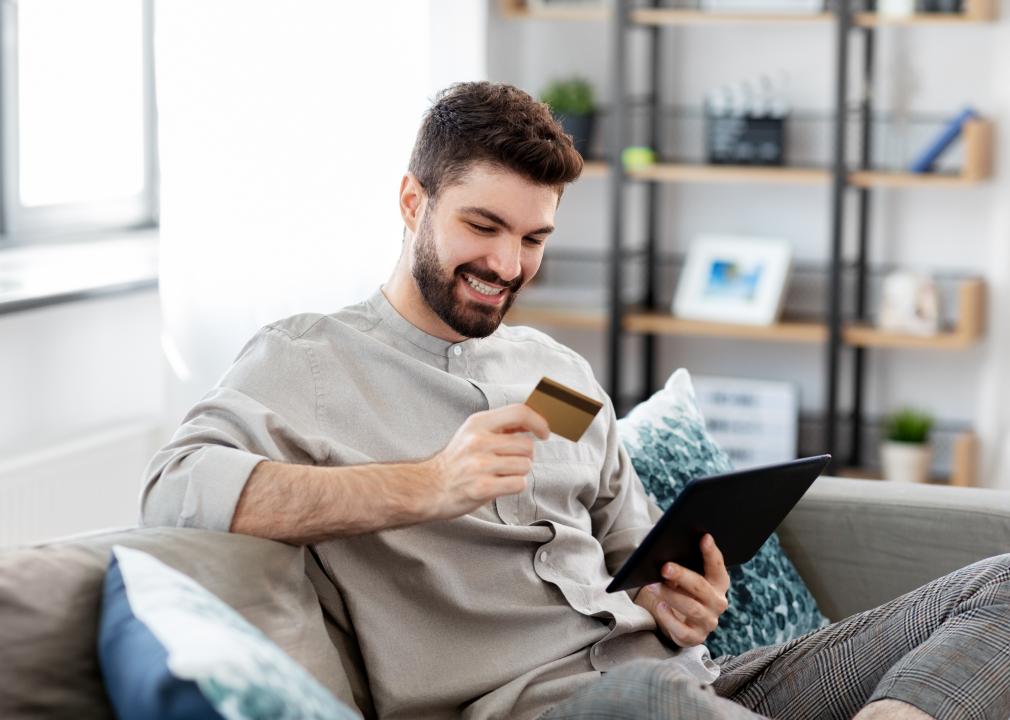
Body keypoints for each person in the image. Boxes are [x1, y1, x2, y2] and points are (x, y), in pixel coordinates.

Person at [142, 81, 1010, 720]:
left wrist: (678, 610)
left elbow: (637, 556)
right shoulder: (310, 361)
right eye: (482, 227)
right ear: (413, 202)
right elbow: (175, 490)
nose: (509, 266)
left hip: (687, 685)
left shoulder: (555, 369)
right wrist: (430, 485)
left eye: (533, 239)